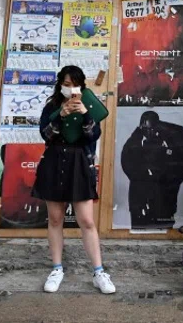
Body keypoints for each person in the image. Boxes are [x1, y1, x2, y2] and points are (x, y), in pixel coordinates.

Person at [31, 65, 114, 295]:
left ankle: (98, 272)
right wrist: (62, 114)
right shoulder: (52, 106)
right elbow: (45, 135)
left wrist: (85, 112)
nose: (71, 89)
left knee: (86, 220)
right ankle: (57, 269)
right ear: (60, 85)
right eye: (66, 84)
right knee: (55, 219)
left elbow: (92, 135)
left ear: (82, 86)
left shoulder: (89, 105)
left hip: (79, 163)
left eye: (74, 84)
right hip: (55, 161)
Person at [120, 110, 183, 229]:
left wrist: (173, 178)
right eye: (145, 129)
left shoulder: (169, 137)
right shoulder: (133, 143)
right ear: (140, 127)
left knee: (163, 225)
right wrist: (144, 174)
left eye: (152, 129)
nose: (149, 132)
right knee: (140, 228)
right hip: (140, 198)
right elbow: (127, 163)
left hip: (163, 198)